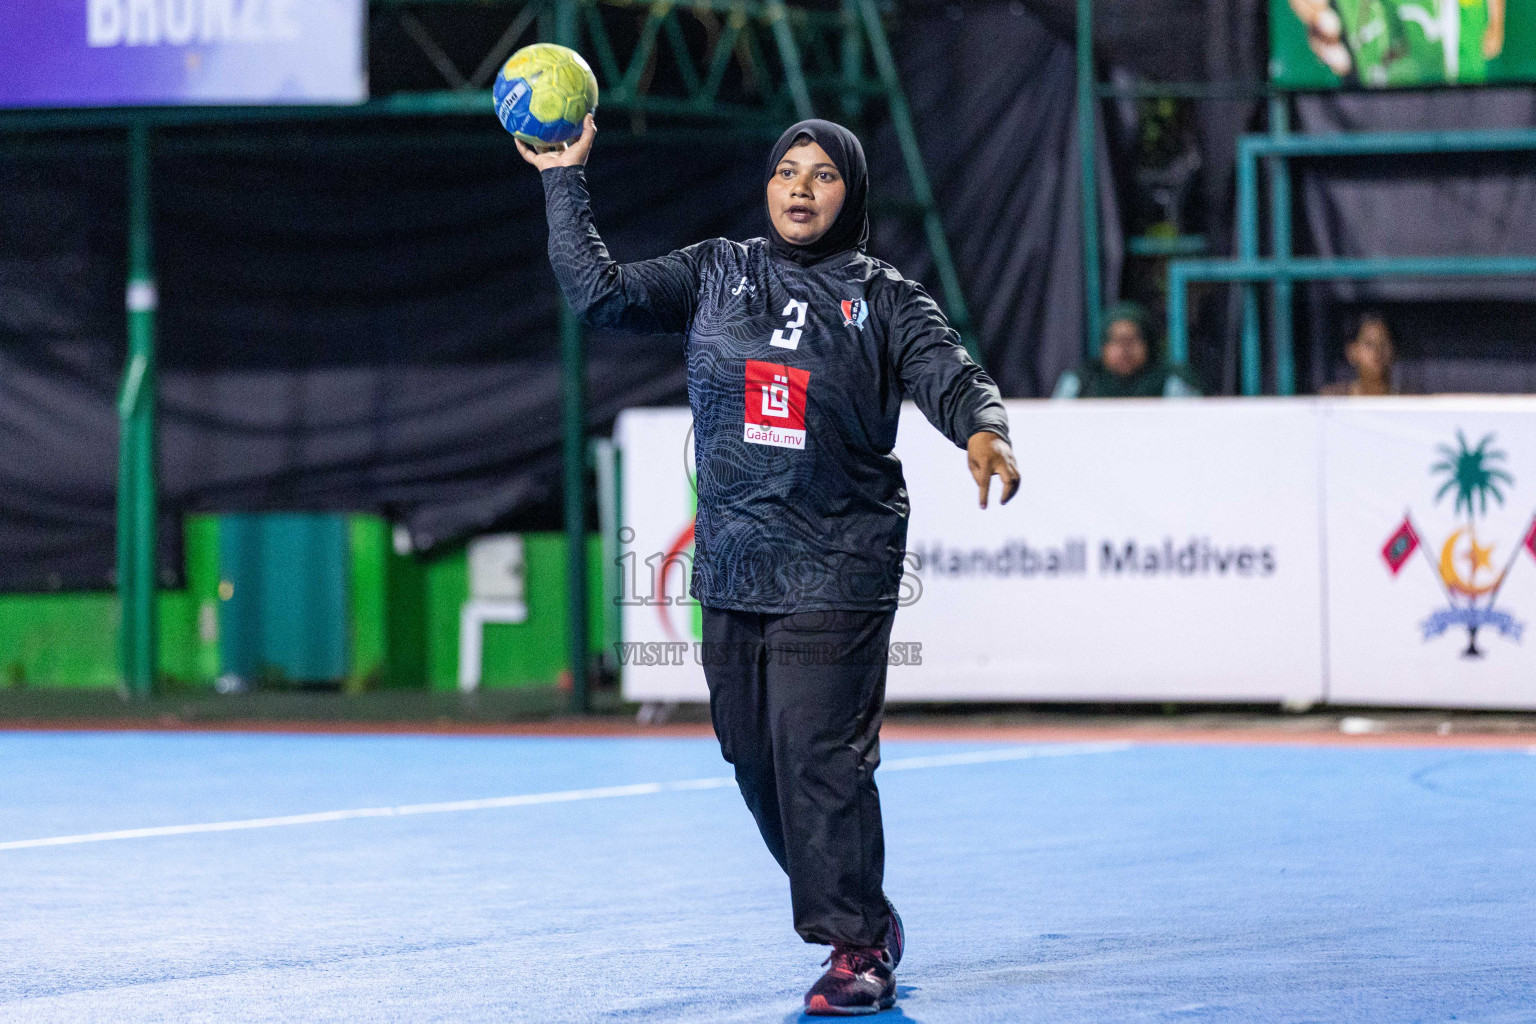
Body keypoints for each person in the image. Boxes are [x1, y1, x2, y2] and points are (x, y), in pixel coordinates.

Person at [521, 115, 1019, 1015]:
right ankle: (859, 906)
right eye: (786, 172)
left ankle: (857, 949)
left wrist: (985, 430)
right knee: (754, 757)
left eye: (822, 175)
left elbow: (950, 372)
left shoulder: (886, 298)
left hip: (841, 560)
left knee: (816, 753)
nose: (799, 188)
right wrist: (564, 177)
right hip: (737, 564)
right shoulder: (720, 269)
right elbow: (598, 293)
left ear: (850, 192)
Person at [1052, 301, 1201, 399]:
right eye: (1116, 341)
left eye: (1133, 340)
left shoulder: (1171, 380)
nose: (1124, 350)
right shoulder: (1081, 382)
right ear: (1103, 347)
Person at [1321, 311, 1397, 396]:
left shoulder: (1407, 401)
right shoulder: (1335, 399)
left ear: (1394, 349)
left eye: (1383, 343)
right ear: (1352, 351)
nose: (1377, 351)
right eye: (1369, 344)